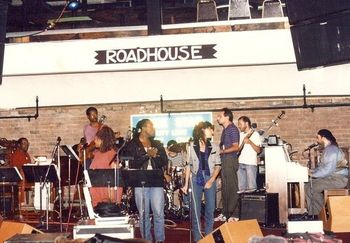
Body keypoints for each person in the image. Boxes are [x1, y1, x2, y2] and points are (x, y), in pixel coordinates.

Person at [121, 119, 167, 243]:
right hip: (140, 181)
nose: (153, 128)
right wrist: (147, 155)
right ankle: (146, 240)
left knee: (158, 212)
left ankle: (160, 240)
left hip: (156, 180)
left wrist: (155, 156)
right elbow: (130, 163)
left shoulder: (157, 143)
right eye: (150, 126)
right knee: (143, 214)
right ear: (143, 128)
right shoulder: (132, 144)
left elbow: (164, 161)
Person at [181, 121, 221, 242]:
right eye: (211, 129)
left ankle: (208, 237)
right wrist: (186, 184)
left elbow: (218, 166)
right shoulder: (191, 146)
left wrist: (211, 180)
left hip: (210, 177)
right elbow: (188, 165)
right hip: (195, 178)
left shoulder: (215, 146)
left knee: (210, 209)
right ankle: (198, 238)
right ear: (203, 129)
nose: (212, 132)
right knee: (195, 210)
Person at [305, 129, 348, 216]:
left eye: (318, 138)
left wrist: (312, 174)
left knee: (312, 188)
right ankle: (313, 213)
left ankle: (321, 215)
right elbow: (322, 167)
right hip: (332, 177)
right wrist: (311, 171)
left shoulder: (331, 150)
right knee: (307, 185)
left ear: (323, 137)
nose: (317, 140)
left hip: (338, 180)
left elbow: (328, 170)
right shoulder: (329, 149)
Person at [215, 108, 240, 222]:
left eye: (220, 116)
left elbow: (236, 147)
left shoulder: (233, 129)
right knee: (225, 188)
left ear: (227, 117)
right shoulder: (226, 130)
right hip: (225, 160)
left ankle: (234, 215)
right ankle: (225, 213)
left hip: (230, 160)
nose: (218, 118)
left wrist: (222, 151)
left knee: (232, 188)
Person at [89, 126, 122, 207]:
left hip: (107, 192)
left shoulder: (112, 154)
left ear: (103, 140)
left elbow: (115, 178)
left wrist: (112, 197)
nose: (94, 141)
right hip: (98, 188)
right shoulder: (98, 153)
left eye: (96, 139)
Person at [237, 116, 262, 193]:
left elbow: (258, 150)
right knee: (241, 189)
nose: (239, 126)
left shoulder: (255, 134)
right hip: (240, 163)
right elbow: (238, 150)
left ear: (246, 123)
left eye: (240, 124)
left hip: (250, 164)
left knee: (251, 189)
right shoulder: (240, 135)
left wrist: (250, 142)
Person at [9, 137, 32, 205]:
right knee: (22, 174)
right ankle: (22, 203)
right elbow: (15, 168)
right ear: (19, 145)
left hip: (27, 176)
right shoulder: (16, 154)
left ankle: (37, 203)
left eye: (27, 144)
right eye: (24, 143)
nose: (26, 145)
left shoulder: (27, 154)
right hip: (17, 176)